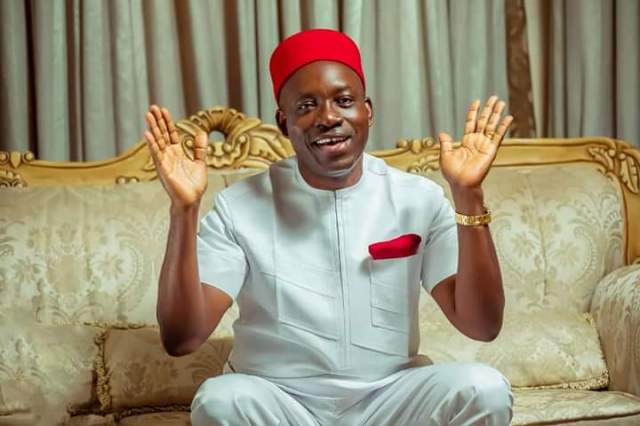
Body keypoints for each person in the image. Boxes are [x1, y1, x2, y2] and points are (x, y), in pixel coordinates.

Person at [144, 29, 514, 426]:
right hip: (280, 402)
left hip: (390, 400)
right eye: (306, 106)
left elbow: (481, 325)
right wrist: (184, 209)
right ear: (283, 122)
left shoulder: (417, 197)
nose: (329, 117)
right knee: (220, 400)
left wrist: (468, 195)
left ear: (367, 111)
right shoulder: (239, 207)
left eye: (344, 101)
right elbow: (182, 338)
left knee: (484, 389)